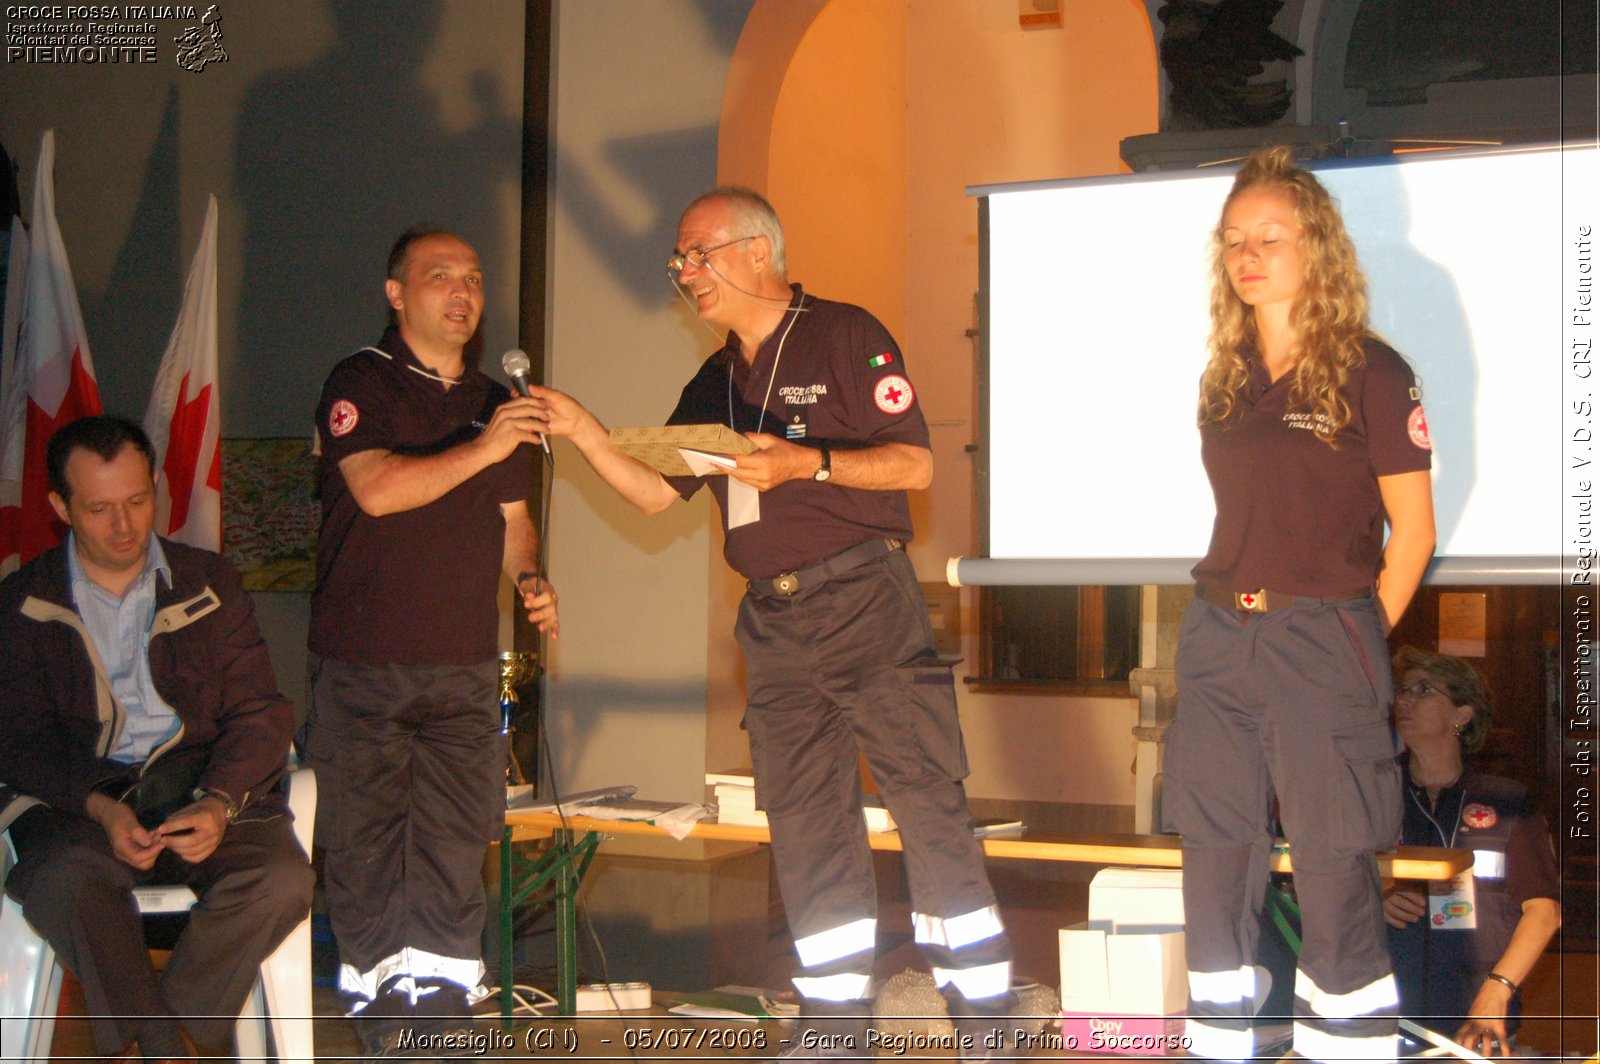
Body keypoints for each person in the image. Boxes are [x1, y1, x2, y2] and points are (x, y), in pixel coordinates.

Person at [528, 187, 1014, 1059]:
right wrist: (586, 433)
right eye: (677, 260)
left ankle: (983, 1018)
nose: (684, 272)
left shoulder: (843, 333)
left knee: (924, 806)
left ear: (759, 251)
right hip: (774, 623)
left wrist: (807, 463)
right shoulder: (715, 377)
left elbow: (915, 463)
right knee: (804, 819)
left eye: (697, 253)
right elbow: (651, 493)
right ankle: (834, 1026)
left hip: (866, 601)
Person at [1161, 147, 1437, 1062]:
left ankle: (1349, 1048)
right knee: (1213, 855)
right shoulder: (1226, 376)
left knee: (1332, 864)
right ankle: (1220, 1044)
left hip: (1322, 634)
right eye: (1235, 240)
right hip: (1214, 634)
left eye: (1270, 236)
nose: (1249, 254)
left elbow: (1415, 534)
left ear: (1315, 247)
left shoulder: (1375, 371)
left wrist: (1350, 637)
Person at [304, 224, 558, 1056]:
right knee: (372, 858)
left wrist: (528, 580)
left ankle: (443, 1031)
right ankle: (388, 1033)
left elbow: (514, 523)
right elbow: (375, 490)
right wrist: (482, 445)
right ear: (396, 293)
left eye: (475, 279)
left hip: (462, 668)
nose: (463, 293)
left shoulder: (495, 398)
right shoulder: (360, 381)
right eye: (441, 276)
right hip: (365, 667)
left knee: (454, 856)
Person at [0, 415, 313, 1063]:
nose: (125, 526)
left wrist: (220, 801)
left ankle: (161, 1039)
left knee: (281, 879)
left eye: (139, 501)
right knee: (63, 876)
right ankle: (169, 1048)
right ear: (61, 508)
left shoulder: (208, 582)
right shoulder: (22, 601)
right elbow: (19, 742)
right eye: (100, 508)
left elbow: (261, 712)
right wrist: (102, 805)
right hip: (79, 799)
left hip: (198, 785)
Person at [1385, 647, 1560, 1056]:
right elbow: (1315, 884)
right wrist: (1374, 896)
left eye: (1423, 689)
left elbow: (1544, 911)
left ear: (1461, 715)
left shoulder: (1507, 802)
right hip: (1387, 1017)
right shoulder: (1375, 797)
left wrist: (1496, 991)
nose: (1405, 699)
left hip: (1476, 1020)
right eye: (1402, 690)